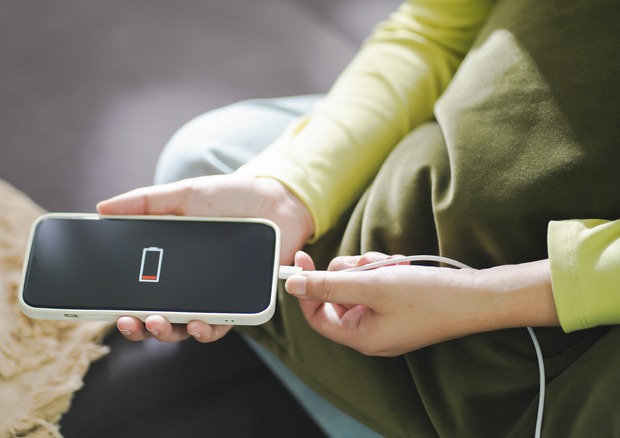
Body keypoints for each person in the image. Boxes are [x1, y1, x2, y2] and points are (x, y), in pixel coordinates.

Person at [97, 0, 620, 435]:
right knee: (203, 158)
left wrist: (490, 297)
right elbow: (434, 33)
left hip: (580, 336)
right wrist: (289, 189)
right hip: (410, 202)